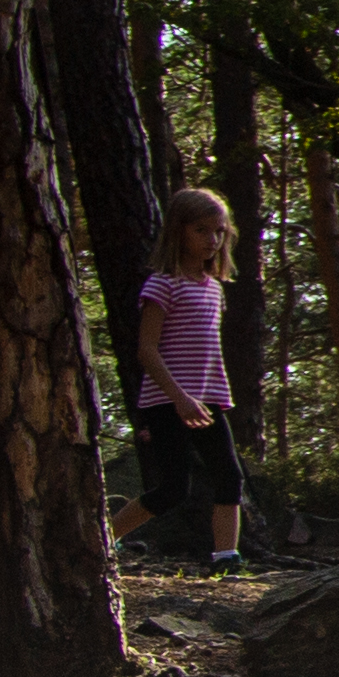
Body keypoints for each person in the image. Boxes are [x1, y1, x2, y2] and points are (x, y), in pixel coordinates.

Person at [129, 186, 248, 570]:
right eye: (201, 230)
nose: (212, 240)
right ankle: (100, 542)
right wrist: (178, 397)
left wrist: (208, 394)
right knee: (173, 490)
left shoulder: (214, 287)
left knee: (230, 476)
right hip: (168, 401)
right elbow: (146, 349)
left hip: (209, 398)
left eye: (219, 231)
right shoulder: (163, 283)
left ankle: (226, 558)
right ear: (179, 230)